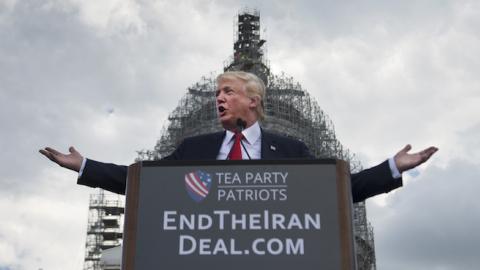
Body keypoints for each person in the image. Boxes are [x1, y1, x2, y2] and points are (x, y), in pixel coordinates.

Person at [40, 71, 438, 202]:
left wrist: (391, 168)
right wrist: (85, 166)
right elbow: (147, 184)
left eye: (227, 92)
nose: (219, 98)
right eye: (216, 93)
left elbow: (333, 192)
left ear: (253, 100)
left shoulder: (291, 150)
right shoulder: (194, 148)